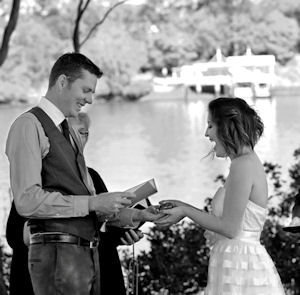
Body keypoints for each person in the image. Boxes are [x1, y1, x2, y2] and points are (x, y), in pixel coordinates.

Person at [5, 52, 136, 295]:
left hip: (83, 261)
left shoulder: (69, 131)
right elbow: (27, 201)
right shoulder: (28, 125)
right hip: (56, 265)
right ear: (63, 81)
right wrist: (93, 202)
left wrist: (132, 216)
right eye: (86, 90)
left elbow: (81, 203)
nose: (90, 99)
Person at [156, 97, 285, 294]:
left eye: (210, 125)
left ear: (226, 127)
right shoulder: (241, 164)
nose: (206, 133)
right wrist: (182, 207)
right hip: (233, 262)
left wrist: (185, 210)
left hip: (242, 268)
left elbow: (230, 228)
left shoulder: (244, 165)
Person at [69, 112, 162, 294]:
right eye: (74, 133)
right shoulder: (41, 177)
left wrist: (127, 229)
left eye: (85, 133)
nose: (81, 139)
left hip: (103, 268)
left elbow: (103, 224)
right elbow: (16, 234)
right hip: (72, 273)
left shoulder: (92, 175)